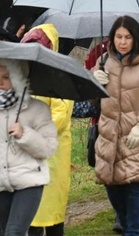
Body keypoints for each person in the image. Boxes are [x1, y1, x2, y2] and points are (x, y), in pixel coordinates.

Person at [92, 15, 139, 236]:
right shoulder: (105, 60)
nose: (122, 41)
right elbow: (91, 100)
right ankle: (125, 225)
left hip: (136, 135)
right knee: (112, 184)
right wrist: (94, 83)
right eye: (118, 36)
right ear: (112, 38)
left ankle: (133, 231)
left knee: (134, 184)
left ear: (136, 38)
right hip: (108, 134)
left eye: (127, 37)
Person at [22, 25, 73, 236]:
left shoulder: (60, 75)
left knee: (52, 209)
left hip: (52, 153)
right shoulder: (20, 75)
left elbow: (60, 116)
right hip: (25, 152)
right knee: (31, 210)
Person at [0, 58, 58, 236]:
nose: (0, 82)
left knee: (14, 232)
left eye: (6, 77)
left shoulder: (37, 109)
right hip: (1, 182)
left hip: (29, 180)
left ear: (18, 78)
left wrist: (24, 134)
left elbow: (48, 148)